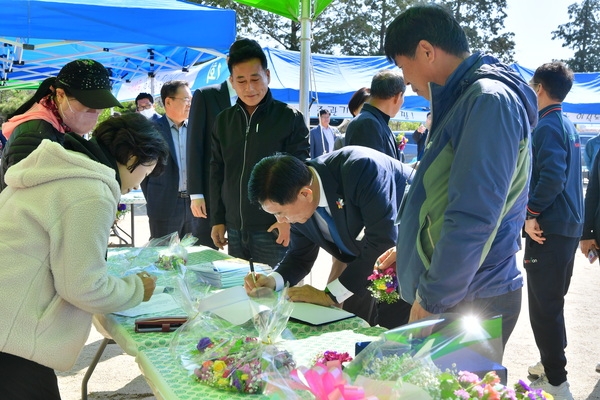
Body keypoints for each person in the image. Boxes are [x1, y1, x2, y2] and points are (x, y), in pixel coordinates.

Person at [380, 4, 538, 354]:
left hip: (472, 295)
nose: (405, 79)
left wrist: (434, 296)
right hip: (461, 288)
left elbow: (474, 213)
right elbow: (441, 195)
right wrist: (411, 247)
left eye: (404, 66)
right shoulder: (465, 98)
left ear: (426, 51)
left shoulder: (487, 101)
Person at [0, 113, 169, 399]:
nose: (140, 183)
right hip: (13, 340)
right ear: (131, 157)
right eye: (146, 172)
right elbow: (82, 286)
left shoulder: (65, 173)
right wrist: (138, 287)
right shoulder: (92, 191)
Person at [243, 147, 412, 328]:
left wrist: (328, 295)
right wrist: (272, 281)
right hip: (367, 263)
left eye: (280, 213)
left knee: (400, 336)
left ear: (305, 194)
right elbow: (300, 256)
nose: (281, 220)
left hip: (411, 255)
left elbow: (383, 242)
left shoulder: (360, 168)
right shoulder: (299, 201)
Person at [210, 38, 309, 266]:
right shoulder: (223, 121)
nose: (250, 88)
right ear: (232, 82)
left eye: (255, 79)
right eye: (241, 81)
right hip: (234, 228)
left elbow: (301, 174)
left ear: (267, 75)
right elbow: (216, 170)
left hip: (273, 227)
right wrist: (217, 218)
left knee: (275, 292)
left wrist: (287, 220)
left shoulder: (289, 118)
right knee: (240, 292)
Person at [523, 62, 582, 400]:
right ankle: (549, 365)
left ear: (540, 88)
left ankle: (558, 384)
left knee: (543, 309)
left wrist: (531, 213)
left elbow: (552, 178)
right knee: (552, 304)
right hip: (567, 228)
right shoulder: (567, 124)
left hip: (548, 228)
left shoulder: (546, 126)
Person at [0, 59, 122, 191]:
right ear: (60, 95)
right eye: (88, 105)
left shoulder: (58, 125)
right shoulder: (34, 136)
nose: (96, 112)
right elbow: (24, 199)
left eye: (100, 106)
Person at [140, 80, 202, 241]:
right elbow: (144, 173)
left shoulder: (198, 128)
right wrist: (155, 196)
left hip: (194, 204)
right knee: (164, 259)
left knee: (193, 258)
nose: (190, 104)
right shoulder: (151, 130)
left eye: (191, 99)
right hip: (164, 204)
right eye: (186, 99)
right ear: (168, 101)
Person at [187, 79, 237, 249]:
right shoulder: (206, 95)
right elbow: (194, 145)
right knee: (206, 251)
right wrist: (195, 193)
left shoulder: (257, 95)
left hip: (242, 195)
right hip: (210, 190)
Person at [345, 69, 406, 160]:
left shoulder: (375, 121)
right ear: (397, 97)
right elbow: (372, 171)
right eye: (403, 97)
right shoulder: (367, 124)